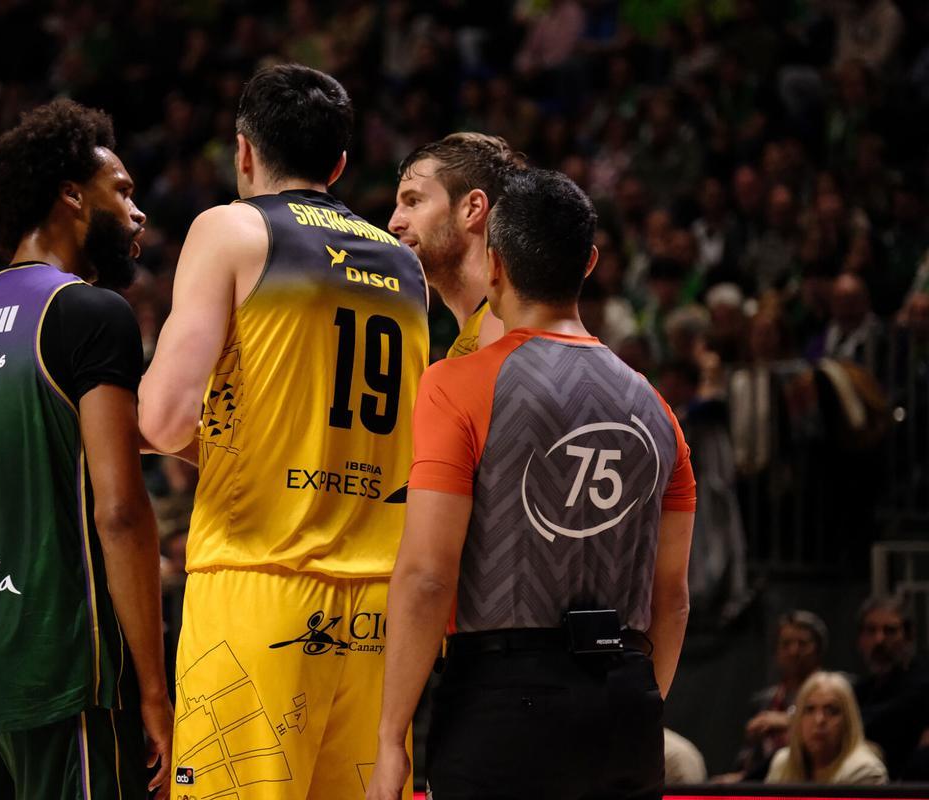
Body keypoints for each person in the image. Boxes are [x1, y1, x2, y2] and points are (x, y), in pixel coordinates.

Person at [138, 64, 428, 800]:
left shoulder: (230, 229)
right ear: (338, 165)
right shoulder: (405, 267)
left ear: (243, 153)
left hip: (258, 586)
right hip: (379, 614)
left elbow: (164, 418)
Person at [368, 168, 696, 800]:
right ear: (590, 263)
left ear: (493, 264)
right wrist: (630, 699)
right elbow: (673, 600)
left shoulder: (454, 383)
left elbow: (428, 576)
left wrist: (390, 740)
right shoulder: (656, 408)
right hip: (627, 701)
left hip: (501, 705)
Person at [0, 98, 171, 799]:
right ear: (69, 194)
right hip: (58, 674)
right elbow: (118, 511)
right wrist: (152, 688)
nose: (137, 210)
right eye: (120, 190)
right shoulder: (87, 312)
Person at [388, 133, 522, 358]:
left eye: (413, 202)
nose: (394, 223)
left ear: (472, 209)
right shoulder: (478, 334)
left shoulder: (500, 331)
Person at [734, 610, 828, 780]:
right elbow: (746, 761)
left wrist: (790, 722)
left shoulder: (836, 693)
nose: (794, 651)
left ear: (819, 650)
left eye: (802, 644)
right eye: (786, 644)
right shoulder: (764, 701)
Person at [852, 595, 929, 780]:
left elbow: (877, 722)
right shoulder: (863, 689)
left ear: (908, 636)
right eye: (871, 630)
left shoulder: (922, 682)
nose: (879, 640)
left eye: (890, 631)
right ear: (860, 639)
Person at [765, 671, 887, 785]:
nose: (819, 720)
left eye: (831, 711)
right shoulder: (782, 763)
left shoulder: (864, 772)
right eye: (810, 709)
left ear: (848, 721)